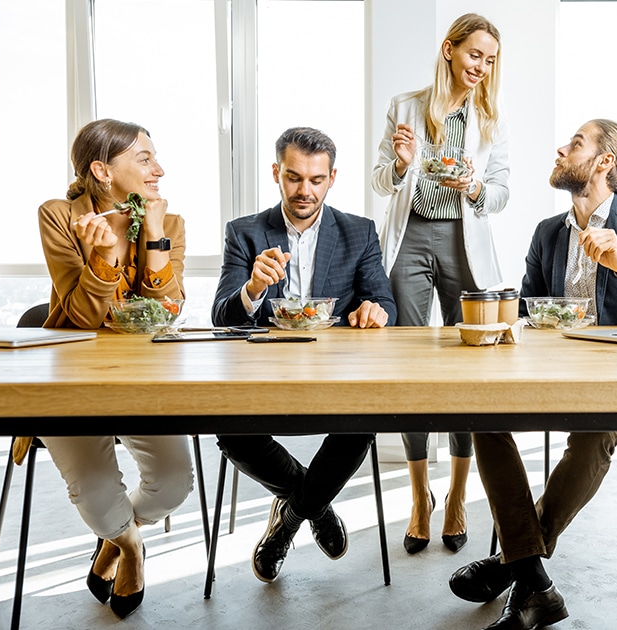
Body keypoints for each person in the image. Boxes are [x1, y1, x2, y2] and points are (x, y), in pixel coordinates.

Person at [449, 120, 617, 630]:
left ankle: (519, 563)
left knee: (594, 433)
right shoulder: (548, 233)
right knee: (480, 414)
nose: (561, 147)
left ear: (603, 163)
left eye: (576, 143)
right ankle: (532, 578)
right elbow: (529, 307)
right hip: (550, 371)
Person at [212, 127, 396, 583]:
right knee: (229, 430)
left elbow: (385, 302)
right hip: (261, 373)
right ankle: (314, 504)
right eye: (293, 178)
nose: (304, 191)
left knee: (363, 422)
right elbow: (221, 316)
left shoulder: (358, 231)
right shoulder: (245, 233)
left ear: (332, 178)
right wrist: (253, 288)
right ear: (276, 173)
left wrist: (376, 311)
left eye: (316, 180)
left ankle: (288, 520)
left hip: (336, 373)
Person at [36, 118, 194, 619]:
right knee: (98, 495)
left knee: (174, 484)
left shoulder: (168, 222)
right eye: (144, 159)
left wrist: (151, 235)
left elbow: (168, 310)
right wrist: (104, 257)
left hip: (142, 378)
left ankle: (114, 542)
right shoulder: (60, 216)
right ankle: (128, 547)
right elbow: (81, 316)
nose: (159, 169)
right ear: (103, 170)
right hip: (68, 379)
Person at [371, 12, 509, 556]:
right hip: (410, 242)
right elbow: (382, 181)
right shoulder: (406, 107)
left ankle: (455, 495)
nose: (482, 67)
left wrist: (475, 185)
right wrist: (403, 164)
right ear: (450, 49)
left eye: (491, 60)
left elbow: (500, 193)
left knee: (467, 365)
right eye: (475, 54)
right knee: (410, 364)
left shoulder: (491, 117)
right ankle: (418, 498)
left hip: (462, 241)